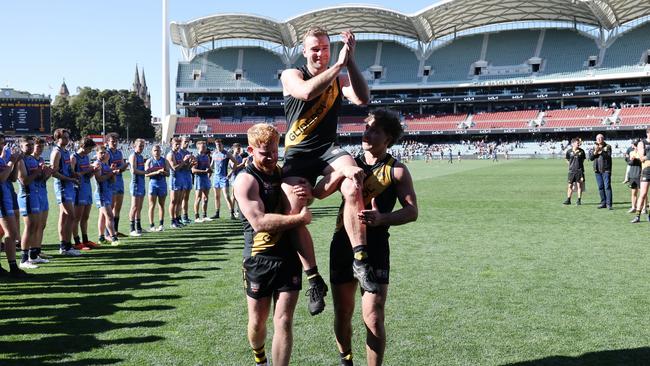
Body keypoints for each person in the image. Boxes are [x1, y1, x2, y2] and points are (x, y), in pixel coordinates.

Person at [313, 109, 418, 366]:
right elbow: (318, 192)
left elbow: (412, 211)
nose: (367, 133)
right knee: (343, 312)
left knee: (373, 315)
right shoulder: (348, 162)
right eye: (367, 128)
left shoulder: (397, 171)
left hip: (376, 247)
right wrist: (342, 172)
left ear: (388, 139)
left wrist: (383, 219)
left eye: (375, 130)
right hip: (343, 244)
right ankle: (346, 360)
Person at [280, 26, 372, 315]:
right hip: (298, 153)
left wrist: (351, 61)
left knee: (354, 180)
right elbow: (306, 92)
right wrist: (338, 65)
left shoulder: (337, 78)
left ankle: (360, 259)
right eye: (314, 49)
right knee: (294, 213)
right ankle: (314, 278)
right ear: (305, 52)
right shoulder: (291, 75)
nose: (320, 53)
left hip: (327, 151)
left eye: (325, 48)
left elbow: (362, 98)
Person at [234, 123, 312, 366]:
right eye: (264, 153)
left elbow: (303, 198)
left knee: (284, 321)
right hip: (259, 259)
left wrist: (306, 192)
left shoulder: (282, 174)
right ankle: (260, 358)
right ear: (250, 150)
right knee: (258, 322)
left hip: (288, 256)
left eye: (275, 152)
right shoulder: (245, 180)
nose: (271, 158)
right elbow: (259, 222)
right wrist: (298, 219)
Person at [50, 128, 81, 256]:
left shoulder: (66, 151)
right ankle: (66, 246)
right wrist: (70, 179)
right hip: (62, 187)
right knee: (71, 216)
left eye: (68, 137)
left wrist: (74, 173)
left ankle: (64, 246)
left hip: (68, 186)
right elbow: (54, 172)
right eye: (64, 138)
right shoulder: (56, 152)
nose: (67, 140)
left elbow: (67, 168)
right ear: (58, 139)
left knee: (64, 217)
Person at [16, 137, 45, 270]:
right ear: (21, 146)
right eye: (27, 145)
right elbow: (24, 181)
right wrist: (38, 172)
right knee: (29, 226)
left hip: (35, 194)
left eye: (32, 145)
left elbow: (37, 177)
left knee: (36, 225)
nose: (31, 147)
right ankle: (23, 259)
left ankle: (33, 256)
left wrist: (44, 173)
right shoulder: (20, 160)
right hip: (26, 196)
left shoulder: (32, 159)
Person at [0, 134, 27, 277]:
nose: (1, 146)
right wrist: (11, 161)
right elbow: (2, 178)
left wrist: (16, 162)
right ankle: (13, 268)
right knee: (11, 233)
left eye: (3, 143)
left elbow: (12, 177)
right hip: (1, 200)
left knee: (5, 233)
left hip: (6, 197)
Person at [71, 137, 98, 250]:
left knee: (85, 217)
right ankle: (77, 242)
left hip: (87, 188)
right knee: (77, 217)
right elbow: (73, 174)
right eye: (89, 149)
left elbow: (87, 175)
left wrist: (93, 171)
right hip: (78, 189)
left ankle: (85, 240)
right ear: (83, 146)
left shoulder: (86, 157)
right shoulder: (74, 157)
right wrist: (87, 170)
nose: (90, 151)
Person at [93, 146, 120, 246]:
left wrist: (113, 173)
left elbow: (113, 181)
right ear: (96, 154)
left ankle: (101, 237)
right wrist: (110, 173)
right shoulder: (97, 164)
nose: (103, 154)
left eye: (104, 152)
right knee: (109, 215)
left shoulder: (106, 165)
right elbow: (99, 178)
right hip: (101, 194)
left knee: (103, 216)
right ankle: (113, 237)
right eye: (101, 153)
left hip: (107, 193)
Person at [32, 138, 52, 260]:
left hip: (43, 193)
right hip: (34, 194)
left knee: (42, 225)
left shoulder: (40, 160)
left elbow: (43, 179)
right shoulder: (29, 160)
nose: (40, 149)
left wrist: (48, 173)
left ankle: (38, 250)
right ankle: (32, 251)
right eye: (38, 146)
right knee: (35, 225)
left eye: (42, 147)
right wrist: (41, 172)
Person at [210, 139, 238, 219]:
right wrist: (208, 169)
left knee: (227, 196)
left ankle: (232, 213)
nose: (218, 145)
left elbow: (235, 162)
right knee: (216, 196)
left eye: (219, 144)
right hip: (216, 177)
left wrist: (231, 172)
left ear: (222, 144)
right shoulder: (214, 153)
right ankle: (217, 213)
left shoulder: (227, 153)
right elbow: (212, 165)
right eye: (216, 144)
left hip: (224, 178)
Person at [107, 133, 128, 236]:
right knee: (109, 209)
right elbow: (107, 169)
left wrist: (123, 167)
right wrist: (118, 168)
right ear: (108, 142)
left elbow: (121, 166)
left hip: (120, 182)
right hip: (111, 183)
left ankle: (115, 230)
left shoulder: (119, 153)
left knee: (118, 208)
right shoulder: (106, 153)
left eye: (116, 141)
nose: (114, 143)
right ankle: (108, 233)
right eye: (112, 141)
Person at [167, 137, 191, 228]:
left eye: (178, 144)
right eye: (175, 144)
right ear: (171, 145)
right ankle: (172, 221)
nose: (177, 146)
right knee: (173, 201)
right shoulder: (170, 154)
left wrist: (190, 163)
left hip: (181, 179)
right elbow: (175, 168)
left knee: (179, 201)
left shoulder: (179, 154)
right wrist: (184, 161)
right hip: (174, 179)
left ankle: (177, 219)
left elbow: (184, 167)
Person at [145, 144, 169, 232]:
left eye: (158, 150)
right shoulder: (149, 161)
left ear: (161, 151)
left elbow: (168, 174)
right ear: (152, 152)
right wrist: (157, 172)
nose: (157, 152)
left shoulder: (165, 161)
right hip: (153, 184)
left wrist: (163, 172)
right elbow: (146, 174)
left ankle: (161, 225)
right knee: (152, 205)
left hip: (162, 184)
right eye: (155, 150)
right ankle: (152, 225)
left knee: (161, 205)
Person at [128, 139, 147, 236]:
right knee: (134, 207)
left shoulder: (140, 156)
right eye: (140, 146)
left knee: (139, 207)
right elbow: (133, 170)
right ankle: (132, 229)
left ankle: (138, 227)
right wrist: (146, 172)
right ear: (134, 146)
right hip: (136, 183)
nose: (142, 148)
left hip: (141, 183)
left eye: (143, 146)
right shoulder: (133, 156)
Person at [589, 134, 613, 209]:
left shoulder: (608, 146)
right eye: (597, 138)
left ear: (603, 139)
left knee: (607, 187)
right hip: (597, 170)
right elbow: (591, 158)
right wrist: (595, 151)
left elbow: (608, 157)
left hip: (606, 170)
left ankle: (609, 204)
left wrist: (601, 151)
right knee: (600, 187)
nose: (599, 139)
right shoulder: (593, 147)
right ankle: (603, 202)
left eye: (600, 138)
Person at [192, 140, 212, 222]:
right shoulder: (196, 157)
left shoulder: (206, 157)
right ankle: (197, 217)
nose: (204, 147)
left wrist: (210, 170)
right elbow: (193, 170)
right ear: (198, 147)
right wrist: (204, 171)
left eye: (205, 146)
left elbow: (208, 167)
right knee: (198, 198)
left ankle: (204, 215)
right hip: (199, 178)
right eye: (203, 146)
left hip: (205, 178)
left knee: (205, 198)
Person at [563, 138, 586, 206]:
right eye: (577, 143)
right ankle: (568, 199)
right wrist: (570, 164)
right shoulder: (569, 151)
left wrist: (579, 166)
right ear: (573, 143)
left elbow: (583, 160)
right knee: (570, 185)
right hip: (571, 171)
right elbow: (566, 159)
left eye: (579, 143)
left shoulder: (582, 151)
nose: (578, 144)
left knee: (579, 185)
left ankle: (579, 200)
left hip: (579, 171)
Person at [228, 142, 246, 218]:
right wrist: (242, 164)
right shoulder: (232, 157)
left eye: (239, 148)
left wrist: (244, 165)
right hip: (234, 177)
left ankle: (238, 211)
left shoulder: (239, 156)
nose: (239, 149)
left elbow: (241, 167)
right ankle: (232, 212)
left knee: (239, 195)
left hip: (239, 177)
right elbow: (233, 167)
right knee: (233, 195)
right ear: (233, 149)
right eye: (237, 148)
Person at [179, 136, 194, 224]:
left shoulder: (188, 152)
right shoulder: (179, 152)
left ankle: (185, 216)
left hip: (188, 176)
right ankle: (179, 217)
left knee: (186, 198)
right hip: (181, 177)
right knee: (180, 198)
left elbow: (187, 167)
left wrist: (191, 164)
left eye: (188, 142)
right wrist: (185, 161)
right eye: (185, 141)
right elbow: (178, 167)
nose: (187, 143)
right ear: (181, 141)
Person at [627, 139, 642, 215]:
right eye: (633, 144)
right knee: (633, 192)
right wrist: (631, 159)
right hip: (632, 174)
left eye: (635, 144)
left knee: (642, 193)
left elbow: (643, 161)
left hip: (640, 174)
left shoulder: (642, 152)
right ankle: (633, 207)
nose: (634, 146)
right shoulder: (631, 152)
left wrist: (637, 159)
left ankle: (643, 208)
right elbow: (629, 163)